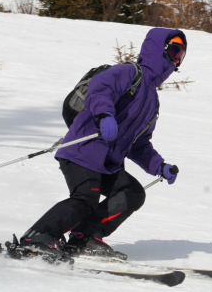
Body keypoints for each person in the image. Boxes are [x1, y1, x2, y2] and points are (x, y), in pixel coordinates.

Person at [17, 27, 187, 263]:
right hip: (82, 151)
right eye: (174, 50)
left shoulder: (152, 100)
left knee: (132, 193)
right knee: (85, 199)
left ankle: (84, 237)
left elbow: (140, 145)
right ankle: (35, 238)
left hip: (107, 163)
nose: (176, 59)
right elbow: (100, 87)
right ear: (159, 49)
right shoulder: (130, 73)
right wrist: (105, 115)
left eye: (181, 55)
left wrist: (159, 166)